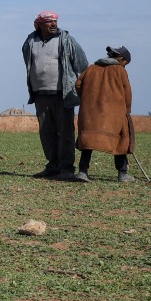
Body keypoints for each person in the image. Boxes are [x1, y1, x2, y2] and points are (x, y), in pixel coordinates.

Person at [21, 10, 88, 179]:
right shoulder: (30, 41)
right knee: (46, 132)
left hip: (62, 95)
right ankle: (53, 166)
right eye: (49, 22)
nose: (53, 24)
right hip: (40, 94)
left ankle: (66, 169)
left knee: (65, 132)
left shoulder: (66, 41)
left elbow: (82, 65)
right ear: (39, 24)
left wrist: (81, 90)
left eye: (55, 21)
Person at [70, 46, 135, 183]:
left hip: (90, 112)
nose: (125, 66)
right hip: (115, 113)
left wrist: (87, 99)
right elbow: (127, 92)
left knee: (89, 140)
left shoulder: (91, 68)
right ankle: (122, 174)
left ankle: (83, 171)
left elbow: (78, 84)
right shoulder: (119, 70)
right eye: (125, 63)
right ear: (122, 59)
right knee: (121, 139)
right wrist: (127, 108)